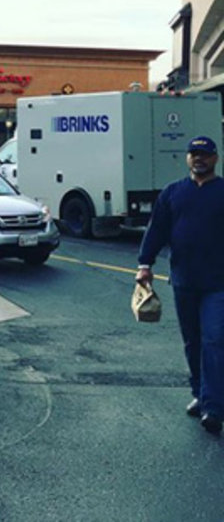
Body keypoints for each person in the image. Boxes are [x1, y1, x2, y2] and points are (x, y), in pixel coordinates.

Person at [136, 134, 224, 435]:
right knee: (192, 340)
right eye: (194, 154)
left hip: (218, 282)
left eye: (205, 155)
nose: (199, 159)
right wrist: (144, 264)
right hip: (184, 280)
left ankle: (214, 408)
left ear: (215, 159)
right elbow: (157, 230)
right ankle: (199, 393)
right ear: (187, 158)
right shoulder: (173, 192)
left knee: (214, 339)